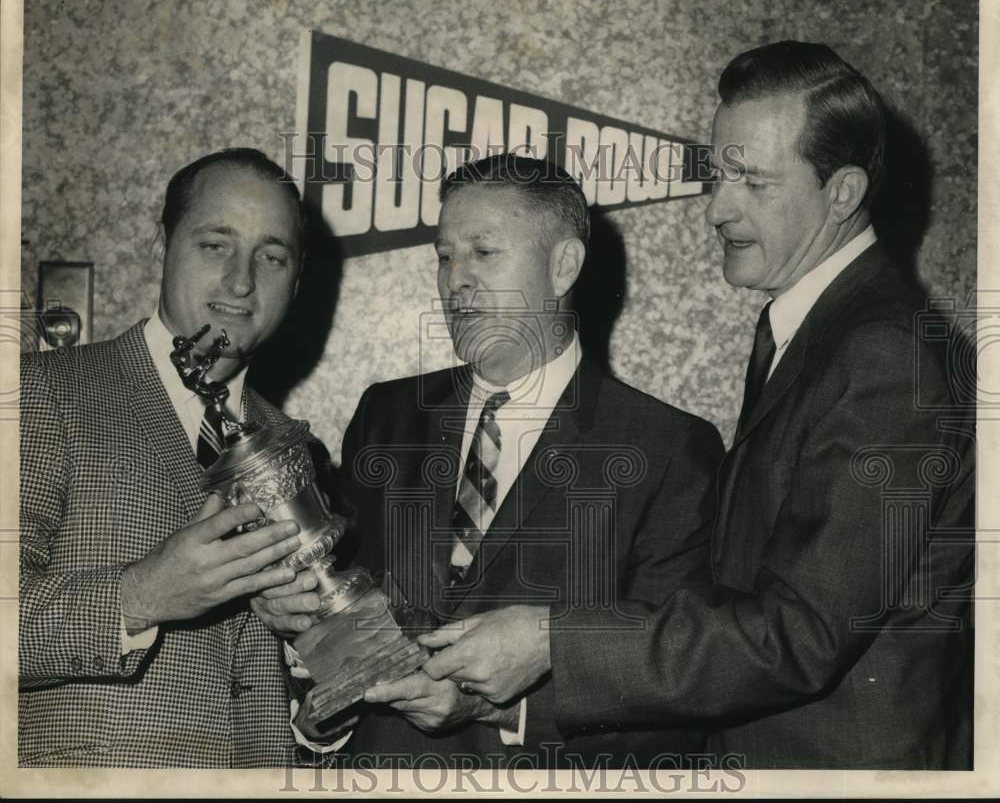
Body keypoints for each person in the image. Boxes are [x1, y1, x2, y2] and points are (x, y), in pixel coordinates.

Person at [418, 42, 975, 769]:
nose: (717, 207)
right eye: (719, 174)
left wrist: (554, 641)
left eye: (752, 181)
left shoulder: (881, 352)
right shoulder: (822, 329)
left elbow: (799, 635)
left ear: (841, 193)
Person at [253, 153, 724, 768]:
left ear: (564, 266)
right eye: (445, 257)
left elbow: (677, 687)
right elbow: (343, 630)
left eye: (483, 252)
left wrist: (503, 711)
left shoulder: (666, 449)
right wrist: (305, 643)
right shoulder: (387, 417)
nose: (456, 281)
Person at [19, 148, 314, 767]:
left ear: (297, 278)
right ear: (163, 246)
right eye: (215, 245)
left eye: (272, 255)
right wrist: (141, 596)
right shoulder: (41, 391)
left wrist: (306, 649)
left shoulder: (294, 445)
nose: (241, 280)